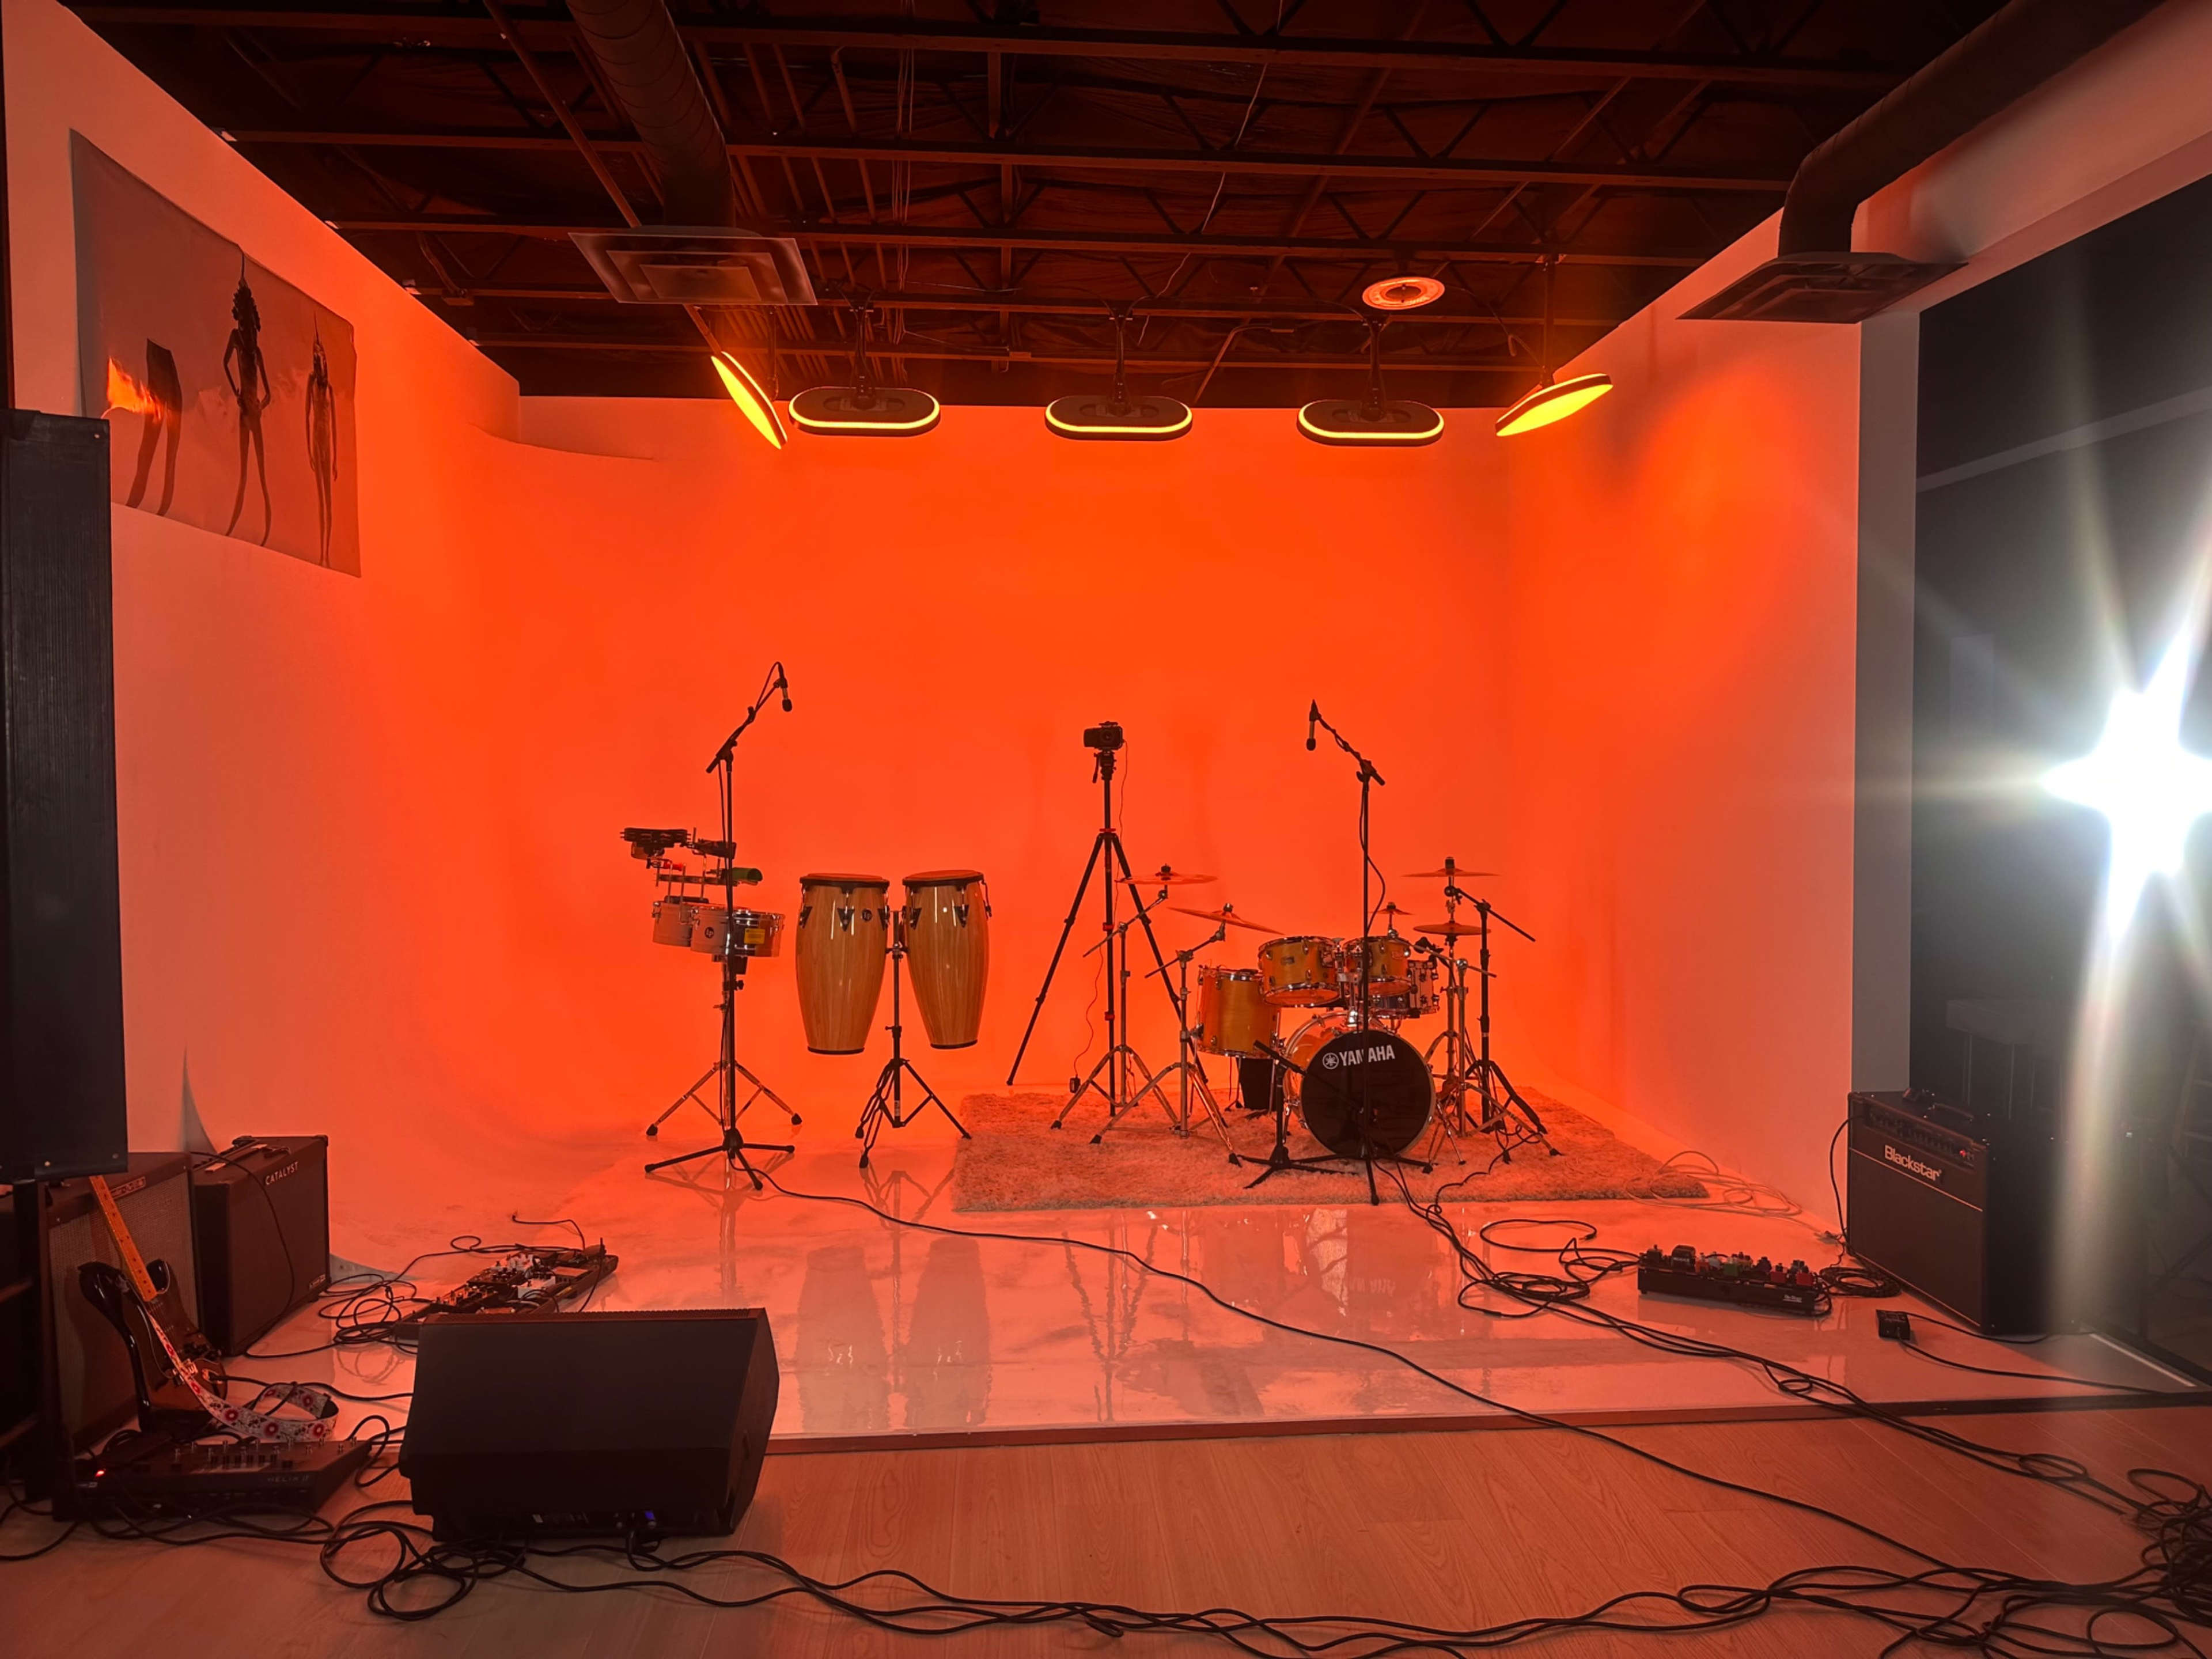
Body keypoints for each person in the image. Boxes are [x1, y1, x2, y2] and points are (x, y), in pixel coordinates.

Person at [222, 267, 272, 543]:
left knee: (262, 474)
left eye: (249, 321)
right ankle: (232, 528)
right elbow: (224, 365)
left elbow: (270, 392)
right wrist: (237, 394)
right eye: (243, 319)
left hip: (253, 409)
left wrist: (261, 404)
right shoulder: (236, 339)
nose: (246, 325)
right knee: (243, 472)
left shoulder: (257, 350)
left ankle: (266, 532)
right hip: (244, 409)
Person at [306, 328, 338, 566]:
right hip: (317, 443)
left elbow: (335, 426)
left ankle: (328, 549)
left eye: (322, 356)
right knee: (320, 499)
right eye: (316, 356)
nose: (319, 360)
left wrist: (336, 460)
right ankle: (322, 553)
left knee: (329, 499)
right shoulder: (311, 383)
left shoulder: (330, 390)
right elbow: (306, 417)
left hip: (327, 441)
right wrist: (309, 451)